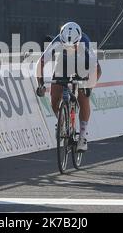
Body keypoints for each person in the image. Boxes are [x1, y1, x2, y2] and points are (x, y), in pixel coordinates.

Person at [35, 22, 102, 152]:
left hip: (83, 66)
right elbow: (40, 63)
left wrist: (89, 85)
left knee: (83, 97)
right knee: (54, 98)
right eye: (66, 46)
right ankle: (62, 121)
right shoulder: (58, 40)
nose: (70, 48)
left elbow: (97, 69)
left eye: (73, 46)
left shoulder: (85, 42)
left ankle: (82, 136)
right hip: (63, 65)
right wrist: (40, 84)